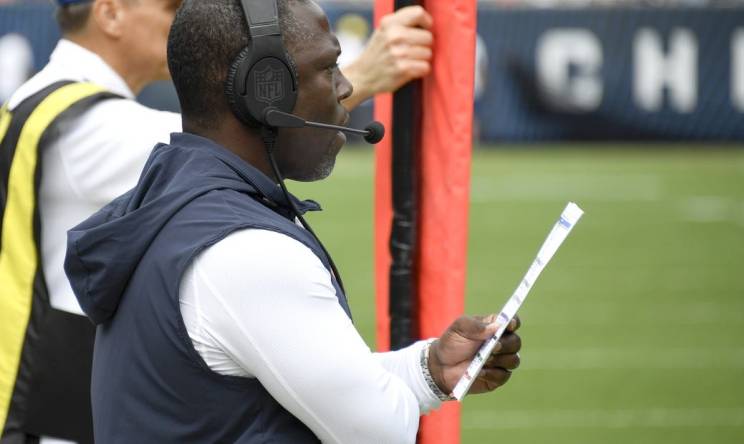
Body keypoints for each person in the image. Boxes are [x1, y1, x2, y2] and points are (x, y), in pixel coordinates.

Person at [63, 0, 522, 443]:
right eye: (328, 68)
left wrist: (431, 370)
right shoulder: (247, 250)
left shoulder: (179, 201)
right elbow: (381, 430)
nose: (345, 88)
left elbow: (292, 387)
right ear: (265, 90)